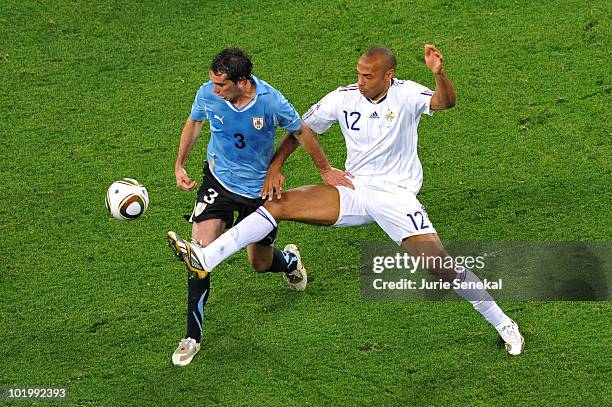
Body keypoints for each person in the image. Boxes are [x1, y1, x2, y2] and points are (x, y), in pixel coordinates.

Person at [168, 45, 525, 355]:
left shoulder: (406, 94)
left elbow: (444, 102)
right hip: (353, 190)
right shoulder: (342, 97)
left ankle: (504, 323)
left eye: (368, 75)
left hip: (396, 197)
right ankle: (206, 256)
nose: (361, 80)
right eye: (358, 73)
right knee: (275, 204)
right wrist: (276, 165)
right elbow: (300, 129)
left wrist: (440, 75)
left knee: (439, 266)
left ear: (389, 74)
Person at [167, 48, 327, 366]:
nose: (214, 90)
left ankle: (291, 261)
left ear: (242, 82)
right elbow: (195, 123)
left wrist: (324, 169)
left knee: (260, 263)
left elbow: (300, 131)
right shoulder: (208, 93)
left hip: (259, 193)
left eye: (221, 85)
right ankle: (191, 338)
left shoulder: (270, 101)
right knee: (199, 255)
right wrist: (179, 163)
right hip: (218, 182)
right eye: (212, 83)